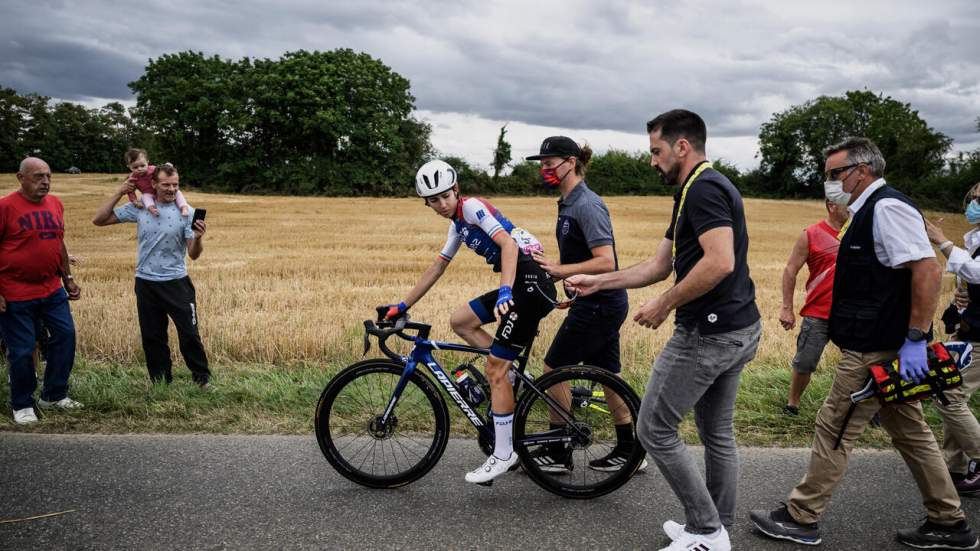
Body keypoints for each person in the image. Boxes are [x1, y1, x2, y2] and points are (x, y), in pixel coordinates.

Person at [751, 138, 977, 550]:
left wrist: (914, 337)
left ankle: (802, 516)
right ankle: (949, 521)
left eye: (834, 174)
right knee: (912, 433)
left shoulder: (886, 207)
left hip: (879, 348)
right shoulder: (869, 210)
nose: (829, 183)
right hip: (886, 344)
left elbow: (926, 270)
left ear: (862, 170)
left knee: (834, 426)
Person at [567, 109, 761, 551]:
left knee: (653, 428)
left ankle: (706, 529)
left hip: (708, 334)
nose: (652, 161)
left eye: (656, 151)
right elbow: (660, 264)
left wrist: (665, 302)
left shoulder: (704, 189)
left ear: (681, 146)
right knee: (717, 434)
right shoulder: (692, 189)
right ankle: (715, 527)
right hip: (738, 328)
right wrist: (599, 280)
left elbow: (720, 261)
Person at [384, 159, 556, 484]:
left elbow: (507, 244)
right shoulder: (457, 226)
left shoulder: (473, 208)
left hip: (528, 284)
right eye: (433, 200)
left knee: (494, 369)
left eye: (445, 196)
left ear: (456, 190)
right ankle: (512, 371)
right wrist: (402, 305)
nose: (441, 204)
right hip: (521, 283)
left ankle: (504, 453)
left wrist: (505, 291)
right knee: (460, 320)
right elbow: (437, 268)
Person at [524, 136, 646, 473]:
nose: (544, 169)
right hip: (594, 301)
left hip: (602, 303)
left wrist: (561, 270)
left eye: (550, 163)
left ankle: (558, 449)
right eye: (542, 164)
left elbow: (606, 261)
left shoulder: (587, 205)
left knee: (554, 370)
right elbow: (584, 260)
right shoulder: (567, 203)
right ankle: (628, 450)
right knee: (609, 377)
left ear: (571, 162)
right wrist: (572, 289)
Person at [91, 163, 211, 388]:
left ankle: (202, 379)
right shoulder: (140, 207)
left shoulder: (187, 212)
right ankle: (161, 382)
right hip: (146, 282)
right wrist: (119, 191)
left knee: (189, 333)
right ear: (154, 184)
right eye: (166, 184)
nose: (171, 189)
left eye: (175, 185)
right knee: (153, 336)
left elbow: (193, 255)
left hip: (177, 282)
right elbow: (99, 220)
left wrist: (198, 237)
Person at [0, 157, 83, 424]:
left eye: (48, 176)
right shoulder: (5, 208)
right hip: (15, 292)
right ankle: (22, 403)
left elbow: (58, 242)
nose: (45, 182)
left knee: (66, 335)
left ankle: (54, 394)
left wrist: (67, 277)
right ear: (20, 177)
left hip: (51, 289)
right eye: (38, 176)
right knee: (23, 349)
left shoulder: (55, 204)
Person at [922, 183, 980, 497]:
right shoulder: (975, 239)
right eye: (971, 198)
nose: (973, 204)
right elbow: (969, 277)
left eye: (979, 200)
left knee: (949, 395)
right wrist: (964, 299)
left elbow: (977, 271)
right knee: (953, 395)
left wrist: (941, 242)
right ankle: (956, 469)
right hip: (970, 329)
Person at [779, 200, 849, 415]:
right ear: (831, 205)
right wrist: (787, 308)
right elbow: (791, 270)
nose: (854, 207)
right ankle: (792, 405)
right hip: (818, 312)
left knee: (861, 364)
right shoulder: (811, 234)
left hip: (851, 314)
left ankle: (865, 408)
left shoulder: (860, 233)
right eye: (849, 204)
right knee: (805, 362)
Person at [123, 148, 190, 217]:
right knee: (145, 197)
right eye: (135, 167)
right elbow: (130, 191)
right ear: (129, 166)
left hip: (161, 191)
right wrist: (135, 201)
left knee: (178, 193)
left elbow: (162, 170)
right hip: (149, 194)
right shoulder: (132, 179)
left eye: (142, 166)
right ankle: (152, 209)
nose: (139, 169)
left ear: (147, 162)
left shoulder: (153, 169)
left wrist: (168, 166)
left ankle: (184, 208)